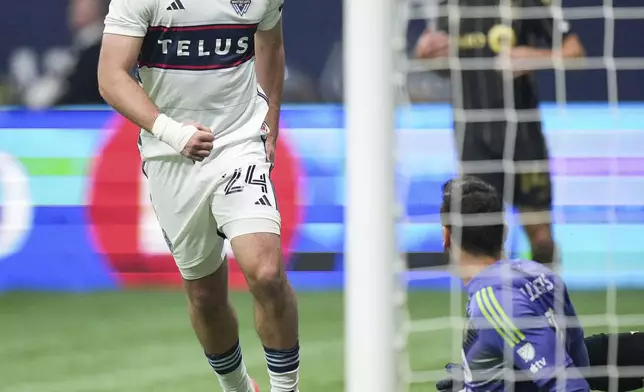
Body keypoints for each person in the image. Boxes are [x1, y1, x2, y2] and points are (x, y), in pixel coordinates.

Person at [97, 1, 298, 392]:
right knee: (205, 295)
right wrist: (174, 133)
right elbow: (110, 76)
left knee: (267, 273)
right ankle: (238, 388)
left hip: (240, 142)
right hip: (171, 152)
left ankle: (286, 389)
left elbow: (270, 44)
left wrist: (270, 122)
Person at [415, 0, 586, 265]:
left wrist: (536, 56)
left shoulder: (524, 3)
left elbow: (575, 51)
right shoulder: (448, 6)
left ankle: (545, 300)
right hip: (474, 138)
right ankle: (491, 303)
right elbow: (445, 65)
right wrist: (426, 56)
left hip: (524, 136)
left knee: (541, 239)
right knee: (480, 243)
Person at [437, 176, 644, 392]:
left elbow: (569, 386)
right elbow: (577, 361)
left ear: (447, 235)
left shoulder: (492, 302)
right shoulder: (540, 274)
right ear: (505, 232)